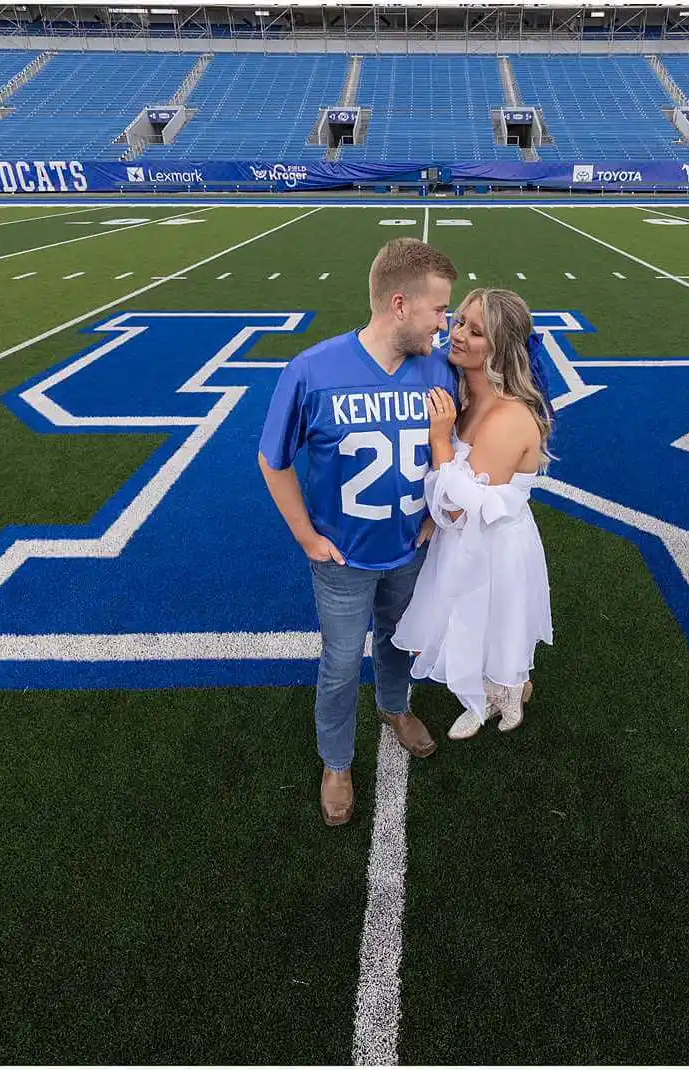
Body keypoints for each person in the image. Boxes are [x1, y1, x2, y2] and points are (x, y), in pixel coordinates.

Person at [257, 238, 458, 826]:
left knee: (401, 641)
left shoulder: (439, 368)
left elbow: (464, 446)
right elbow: (274, 460)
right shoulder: (313, 370)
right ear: (399, 304)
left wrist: (431, 517)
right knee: (342, 663)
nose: (443, 323)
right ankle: (337, 760)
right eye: (438, 310)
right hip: (342, 557)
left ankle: (394, 708)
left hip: (408, 548)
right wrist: (305, 536)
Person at [392, 288, 554, 741]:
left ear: (499, 349)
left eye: (474, 331)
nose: (456, 333)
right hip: (465, 539)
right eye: (460, 321)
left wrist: (441, 440)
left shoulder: (509, 417)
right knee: (473, 625)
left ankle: (503, 694)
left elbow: (463, 506)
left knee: (486, 624)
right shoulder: (468, 395)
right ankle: (498, 690)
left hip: (492, 546)